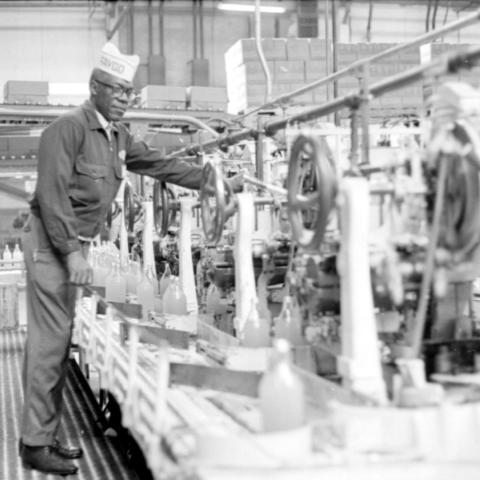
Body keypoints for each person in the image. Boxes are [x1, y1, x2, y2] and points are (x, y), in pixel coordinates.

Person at [20, 42, 243, 476]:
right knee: (50, 343)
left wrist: (215, 180)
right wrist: (71, 253)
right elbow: (50, 198)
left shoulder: (118, 136)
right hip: (51, 244)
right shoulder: (66, 130)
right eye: (119, 91)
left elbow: (161, 166)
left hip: (74, 245)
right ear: (95, 88)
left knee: (59, 341)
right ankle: (34, 443)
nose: (126, 99)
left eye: (130, 93)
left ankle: (43, 434)